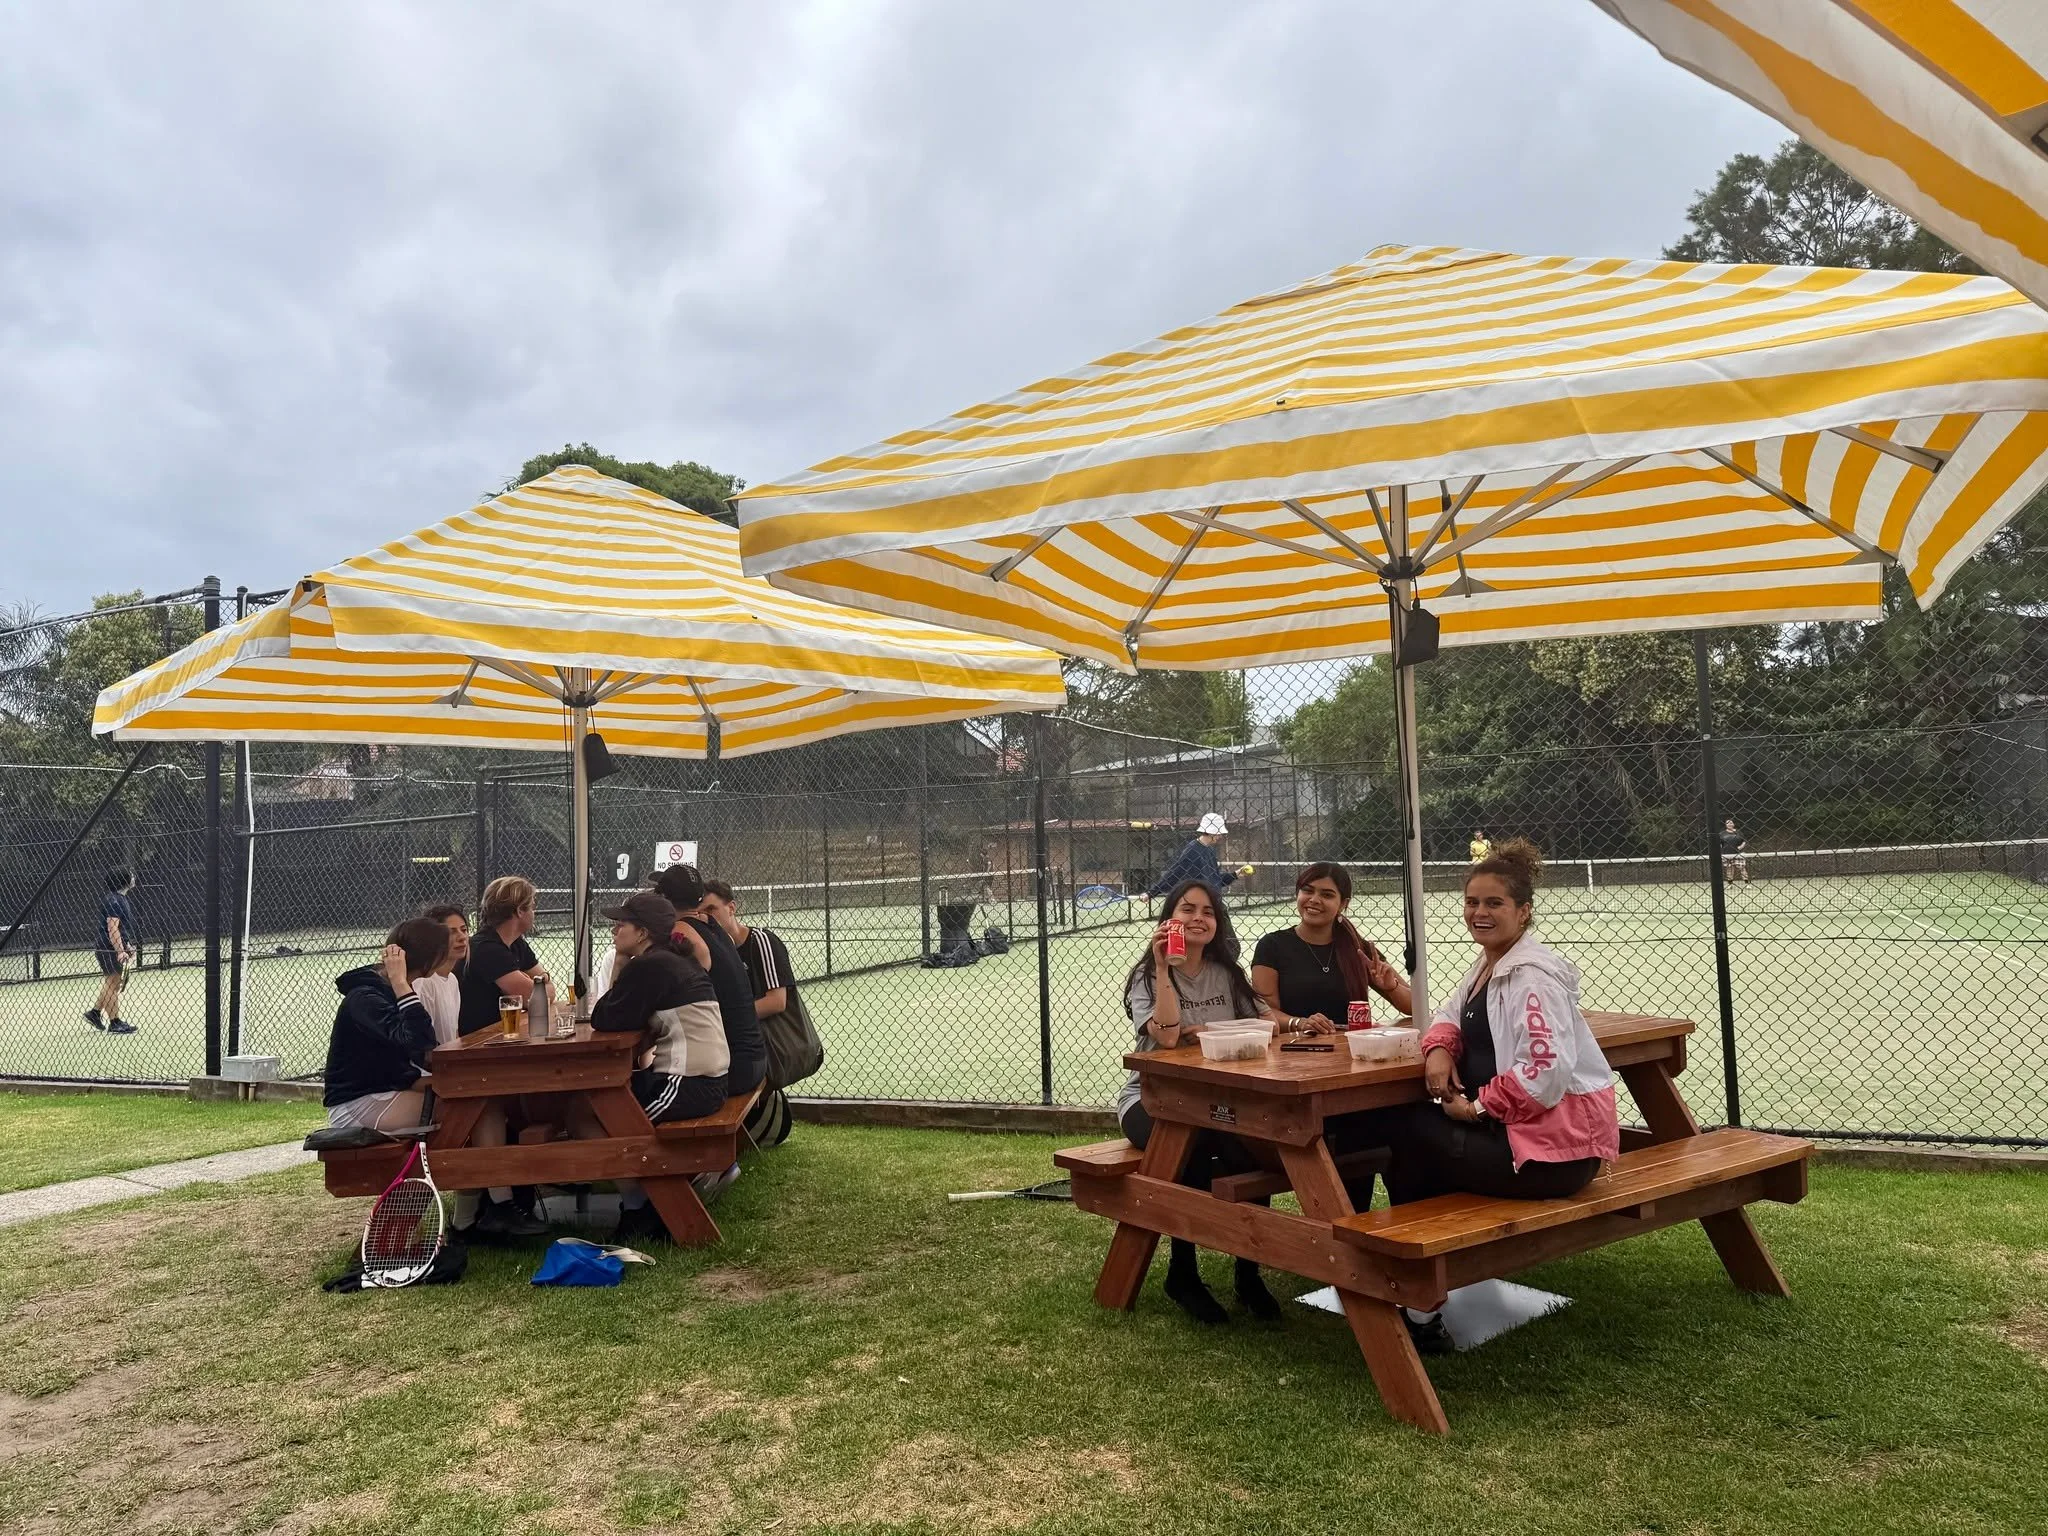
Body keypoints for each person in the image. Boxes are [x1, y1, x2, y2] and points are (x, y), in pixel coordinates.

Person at [1382, 839, 1619, 1353]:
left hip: (1553, 1157)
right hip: (1521, 1142)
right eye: (1472, 902)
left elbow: (1545, 1071)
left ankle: (1419, 1300)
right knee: (1407, 1134)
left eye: (1494, 903)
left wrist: (1476, 1108)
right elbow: (1447, 1015)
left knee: (1403, 1134)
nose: (1479, 913)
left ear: (1523, 911)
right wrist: (1439, 1050)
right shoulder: (1488, 966)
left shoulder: (1531, 977)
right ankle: (1422, 1289)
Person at [1117, 878, 1276, 1325]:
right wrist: (1163, 968)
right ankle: (1182, 1274)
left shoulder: (1227, 973)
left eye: (1208, 912)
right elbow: (1167, 1037)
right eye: (1187, 909)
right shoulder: (1146, 977)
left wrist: (1207, 1030)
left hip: (1215, 1103)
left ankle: (1249, 1274)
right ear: (1169, 918)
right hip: (1149, 1102)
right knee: (1192, 1149)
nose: (1198, 918)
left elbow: (1266, 1023)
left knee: (1254, 1151)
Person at [567, 891, 727, 1244]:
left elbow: (605, 1018)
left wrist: (620, 964)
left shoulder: (650, 965)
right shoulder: (671, 959)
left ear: (642, 932)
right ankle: (644, 1202)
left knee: (594, 1114)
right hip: (705, 1081)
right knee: (590, 1107)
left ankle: (641, 1208)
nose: (614, 931)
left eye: (621, 924)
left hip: (688, 1085)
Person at [654, 865, 767, 1203]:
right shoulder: (713, 926)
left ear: (664, 900)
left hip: (733, 1068)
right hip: (754, 1057)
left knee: (647, 1093)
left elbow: (674, 986)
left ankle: (693, 1169)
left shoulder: (682, 933)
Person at [1250, 862, 1412, 1033]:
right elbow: (1265, 1013)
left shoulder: (1358, 948)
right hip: (1293, 1046)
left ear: (1343, 904)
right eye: (1307, 891)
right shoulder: (1271, 946)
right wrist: (1300, 1023)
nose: (1314, 899)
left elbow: (1415, 1006)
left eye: (1327, 895)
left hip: (1350, 1045)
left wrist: (1391, 987)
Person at [322, 918, 446, 1132]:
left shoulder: (389, 991)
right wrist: (400, 982)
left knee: (473, 1096)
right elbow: (416, 1041)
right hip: (358, 1102)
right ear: (429, 958)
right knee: (461, 1108)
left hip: (391, 1087)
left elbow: (424, 1049)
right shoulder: (365, 997)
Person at [457, 876, 552, 1036]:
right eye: (531, 907)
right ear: (520, 911)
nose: (533, 913)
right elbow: (534, 999)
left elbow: (548, 994)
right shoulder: (486, 949)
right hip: (480, 1040)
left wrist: (540, 982)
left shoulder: (516, 943)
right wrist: (540, 983)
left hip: (502, 1034)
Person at [699, 880, 796, 1025]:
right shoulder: (708, 950)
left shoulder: (761, 941)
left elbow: (776, 1002)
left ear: (731, 908)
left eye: (711, 909)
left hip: (773, 1036)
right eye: (700, 913)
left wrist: (725, 1020)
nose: (706, 917)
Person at [1147, 813, 1251, 900]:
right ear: (1210, 832)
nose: (1220, 836)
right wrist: (1152, 892)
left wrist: (1236, 874)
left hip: (1212, 901)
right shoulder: (1192, 849)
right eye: (1218, 833)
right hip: (1199, 901)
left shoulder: (1210, 850)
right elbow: (1175, 873)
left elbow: (1216, 879)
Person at [85, 868, 139, 1035]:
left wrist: (127, 945)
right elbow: (112, 928)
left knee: (112, 982)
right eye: (130, 875)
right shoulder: (114, 901)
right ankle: (115, 1023)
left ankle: (94, 1013)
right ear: (123, 880)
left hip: (111, 946)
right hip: (107, 947)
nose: (133, 877)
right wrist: (120, 951)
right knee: (113, 983)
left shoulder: (120, 899)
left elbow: (121, 929)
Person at [415, 903, 471, 1046]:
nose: (462, 937)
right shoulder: (425, 981)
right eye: (451, 932)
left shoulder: (452, 980)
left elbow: (454, 1035)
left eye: (464, 930)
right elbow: (423, 1044)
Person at [1719, 817, 1750, 883]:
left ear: (1733, 824)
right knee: (1729, 869)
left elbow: (1744, 841)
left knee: (1742, 868)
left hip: (1738, 853)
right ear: (1725, 825)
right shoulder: (1722, 834)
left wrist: (1741, 847)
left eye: (1731, 823)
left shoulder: (1738, 832)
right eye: (1727, 823)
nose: (1729, 824)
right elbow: (1720, 843)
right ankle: (1730, 884)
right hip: (1726, 854)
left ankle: (1747, 883)